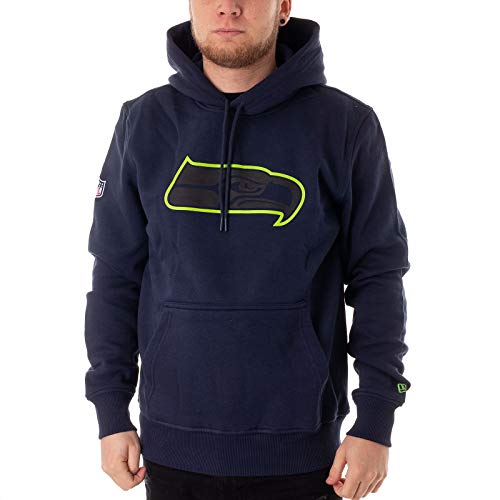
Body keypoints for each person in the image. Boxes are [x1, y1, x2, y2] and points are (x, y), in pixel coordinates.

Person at [83, 1, 412, 498]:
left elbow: (378, 278)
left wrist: (376, 419)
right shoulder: (143, 122)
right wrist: (111, 410)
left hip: (304, 453)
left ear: (283, 7)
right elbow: (114, 276)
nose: (228, 7)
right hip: (170, 449)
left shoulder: (345, 125)